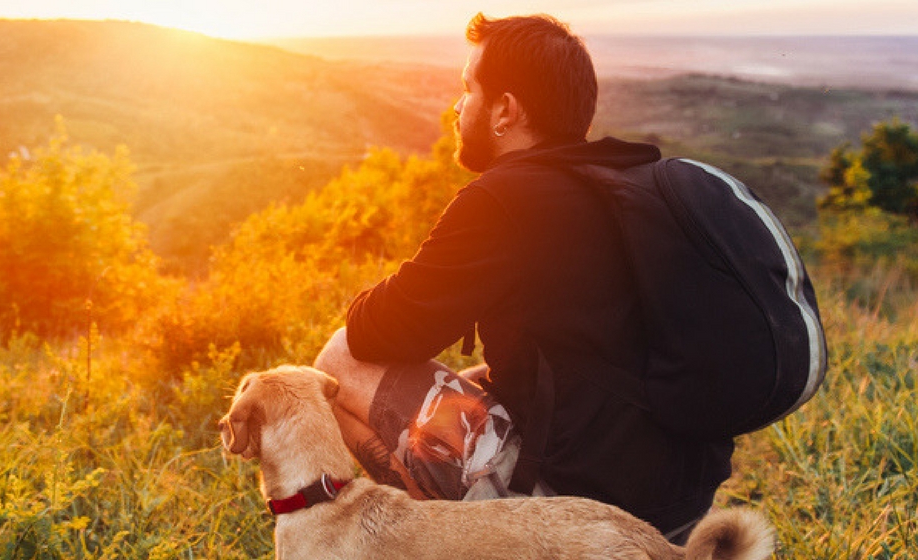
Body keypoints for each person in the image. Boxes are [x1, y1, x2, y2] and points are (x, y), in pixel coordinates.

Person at [315, 13, 771, 543]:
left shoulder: (504, 199)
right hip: (678, 510)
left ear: (505, 110)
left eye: (468, 89)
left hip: (584, 520)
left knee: (338, 360)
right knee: (480, 378)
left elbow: (375, 333)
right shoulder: (620, 182)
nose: (457, 107)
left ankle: (461, 548)